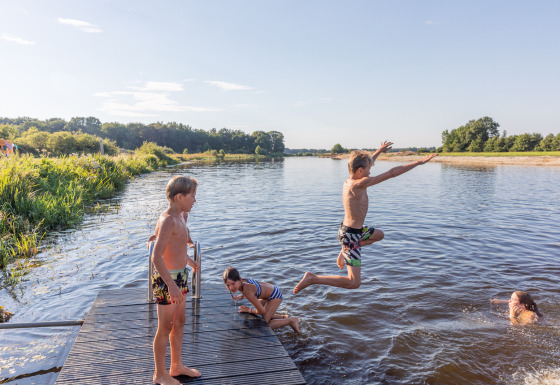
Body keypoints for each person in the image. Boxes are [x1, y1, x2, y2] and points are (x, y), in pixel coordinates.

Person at [294, 142, 438, 293]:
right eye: (369, 169)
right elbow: (392, 173)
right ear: (360, 171)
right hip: (350, 235)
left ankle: (345, 251)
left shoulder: (351, 179)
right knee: (354, 282)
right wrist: (419, 162)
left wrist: (379, 150)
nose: (370, 172)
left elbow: (367, 163)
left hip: (356, 231)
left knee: (379, 235)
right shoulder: (359, 184)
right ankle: (313, 278)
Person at [150, 175, 201, 385]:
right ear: (179, 197)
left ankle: (176, 366)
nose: (195, 200)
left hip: (180, 275)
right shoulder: (168, 220)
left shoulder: (182, 216)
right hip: (166, 280)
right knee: (165, 327)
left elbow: (176, 245)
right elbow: (156, 256)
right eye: (192, 196)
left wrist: (188, 260)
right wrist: (171, 286)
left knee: (179, 323)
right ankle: (160, 374)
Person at [223, 266, 300, 333]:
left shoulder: (247, 291)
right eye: (227, 285)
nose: (231, 288)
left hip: (275, 295)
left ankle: (292, 321)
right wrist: (242, 295)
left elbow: (261, 310)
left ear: (239, 279)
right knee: (260, 314)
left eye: (233, 284)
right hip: (269, 291)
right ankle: (284, 317)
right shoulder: (242, 282)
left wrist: (249, 310)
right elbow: (250, 288)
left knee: (264, 325)